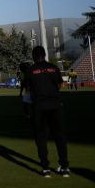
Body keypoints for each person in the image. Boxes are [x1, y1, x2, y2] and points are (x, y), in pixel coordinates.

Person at [25, 46, 70, 178]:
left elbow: (28, 89)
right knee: (60, 136)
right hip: (55, 105)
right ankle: (64, 167)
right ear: (44, 55)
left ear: (33, 56)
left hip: (39, 107)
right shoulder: (53, 68)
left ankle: (45, 168)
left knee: (41, 138)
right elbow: (60, 85)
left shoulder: (31, 70)